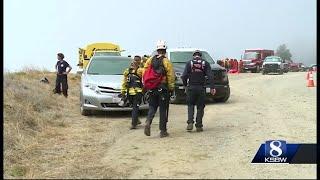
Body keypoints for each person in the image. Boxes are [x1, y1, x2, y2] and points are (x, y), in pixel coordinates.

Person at [143, 40, 175, 138]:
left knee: (152, 106)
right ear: (165, 50)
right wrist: (171, 88)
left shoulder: (150, 60)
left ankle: (148, 121)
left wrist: (147, 85)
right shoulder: (166, 61)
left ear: (157, 50)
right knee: (163, 109)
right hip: (163, 88)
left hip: (152, 88)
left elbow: (144, 73)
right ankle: (163, 131)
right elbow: (171, 76)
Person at [181, 50, 216, 132]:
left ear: (193, 56)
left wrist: (185, 85)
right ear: (201, 56)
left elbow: (184, 76)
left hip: (191, 88)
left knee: (190, 105)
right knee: (200, 107)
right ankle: (199, 126)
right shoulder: (205, 63)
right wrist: (212, 87)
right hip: (201, 88)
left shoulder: (189, 63)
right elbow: (210, 76)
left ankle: (190, 122)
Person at [120, 56, 143, 129]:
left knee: (134, 107)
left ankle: (136, 120)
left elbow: (124, 82)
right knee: (135, 108)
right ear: (140, 61)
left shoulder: (127, 71)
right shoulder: (141, 71)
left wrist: (123, 92)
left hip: (130, 93)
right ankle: (134, 124)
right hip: (137, 93)